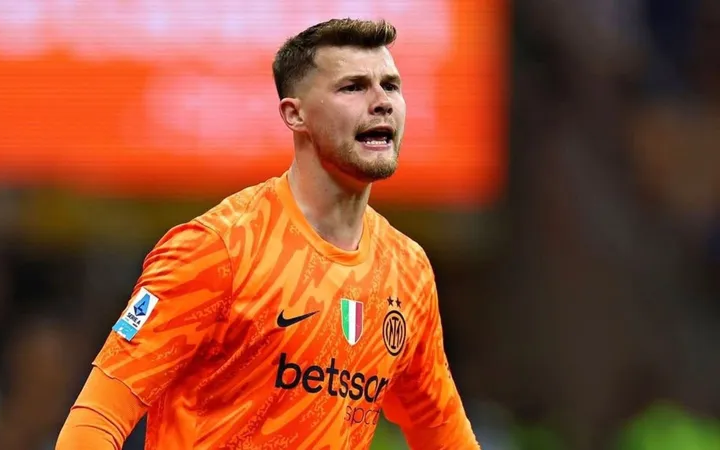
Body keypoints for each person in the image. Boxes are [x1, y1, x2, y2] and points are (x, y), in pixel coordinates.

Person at [55, 18, 480, 450]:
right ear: (295, 114)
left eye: (390, 86)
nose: (382, 102)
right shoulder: (219, 248)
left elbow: (442, 432)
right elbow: (96, 420)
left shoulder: (408, 270)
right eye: (353, 87)